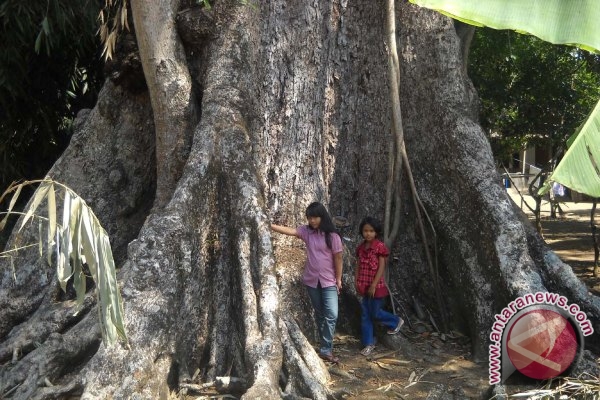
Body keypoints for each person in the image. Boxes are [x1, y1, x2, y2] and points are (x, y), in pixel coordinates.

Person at [271, 202, 343, 363]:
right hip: (312, 280)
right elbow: (291, 231)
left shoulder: (333, 236)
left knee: (331, 314)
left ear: (322, 217)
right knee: (319, 313)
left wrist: (338, 279)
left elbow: (338, 259)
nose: (312, 221)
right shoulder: (307, 232)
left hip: (329, 280)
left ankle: (326, 348)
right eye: (310, 218)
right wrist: (269, 225)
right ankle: (325, 347)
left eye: (315, 217)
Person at [355, 216, 403, 356]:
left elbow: (382, 266)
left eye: (371, 231)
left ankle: (395, 321)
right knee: (365, 315)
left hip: (376, 286)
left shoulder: (379, 247)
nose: (368, 233)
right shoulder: (361, 248)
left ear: (376, 232)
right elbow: (358, 265)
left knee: (375, 313)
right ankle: (368, 343)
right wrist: (356, 280)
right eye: (365, 231)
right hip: (364, 285)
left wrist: (374, 285)